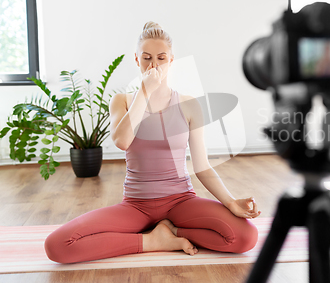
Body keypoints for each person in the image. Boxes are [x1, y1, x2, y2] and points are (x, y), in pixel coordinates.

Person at [44, 22, 261, 264]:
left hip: (181, 200)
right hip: (136, 205)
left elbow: (202, 166)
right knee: (58, 245)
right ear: (137, 60)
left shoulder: (189, 105)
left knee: (245, 237)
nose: (154, 65)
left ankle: (172, 231)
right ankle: (152, 241)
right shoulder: (122, 101)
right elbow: (122, 141)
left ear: (171, 60)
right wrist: (144, 93)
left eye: (161, 57)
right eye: (147, 58)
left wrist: (230, 202)